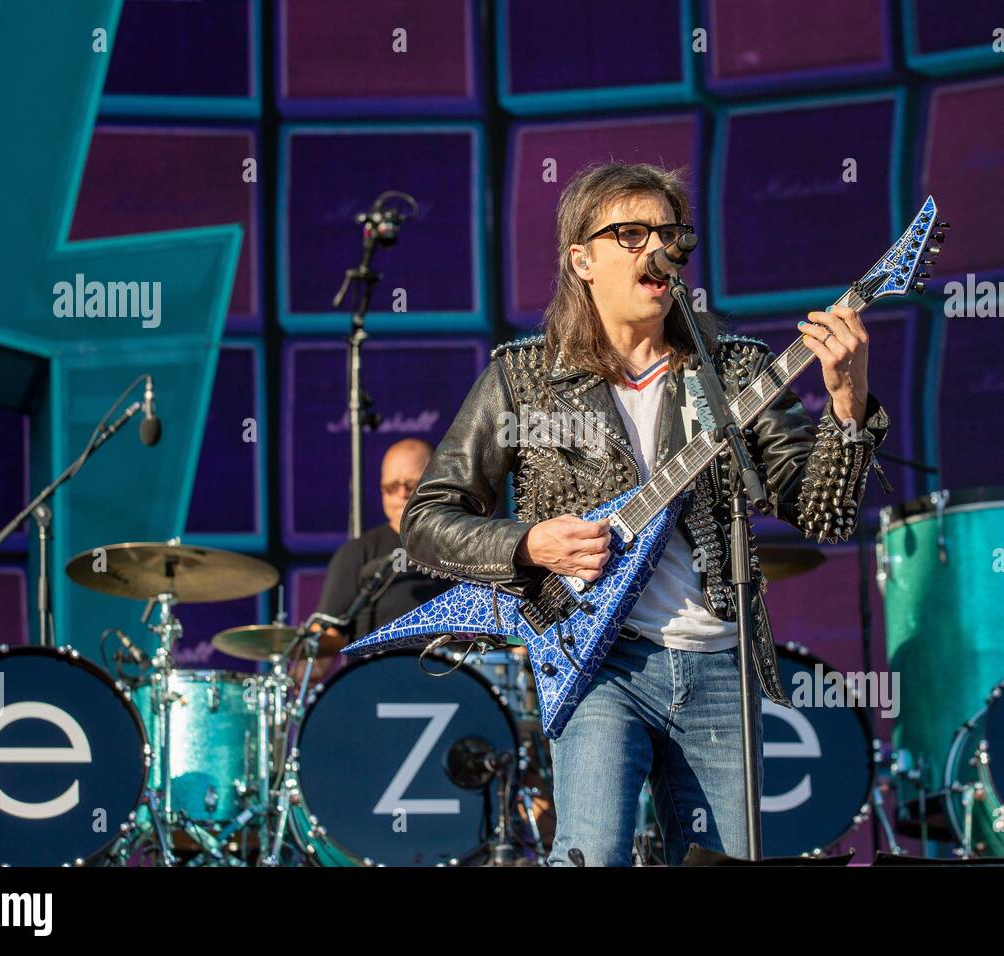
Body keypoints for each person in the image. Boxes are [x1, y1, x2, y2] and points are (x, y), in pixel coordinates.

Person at [397, 162, 889, 865]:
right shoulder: (522, 378)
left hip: (719, 663)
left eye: (668, 233)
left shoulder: (736, 368)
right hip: (599, 664)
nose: (655, 248)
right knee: (593, 854)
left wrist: (848, 403)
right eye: (629, 233)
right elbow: (427, 520)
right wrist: (531, 542)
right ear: (582, 260)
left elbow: (826, 514)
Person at [302, 438, 447, 680]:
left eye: (410, 485)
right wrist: (297, 667)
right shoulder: (357, 554)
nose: (401, 494)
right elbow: (324, 642)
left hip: (458, 684)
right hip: (377, 690)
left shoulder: (466, 543)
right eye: (391, 487)